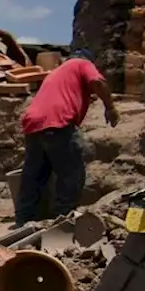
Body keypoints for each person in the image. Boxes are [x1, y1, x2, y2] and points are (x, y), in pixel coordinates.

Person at [16, 48, 119, 227]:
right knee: (72, 173)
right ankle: (60, 223)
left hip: (33, 124)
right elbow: (97, 81)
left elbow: (63, 94)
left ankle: (24, 222)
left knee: (35, 177)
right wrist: (110, 107)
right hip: (57, 123)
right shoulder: (82, 64)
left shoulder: (56, 72)